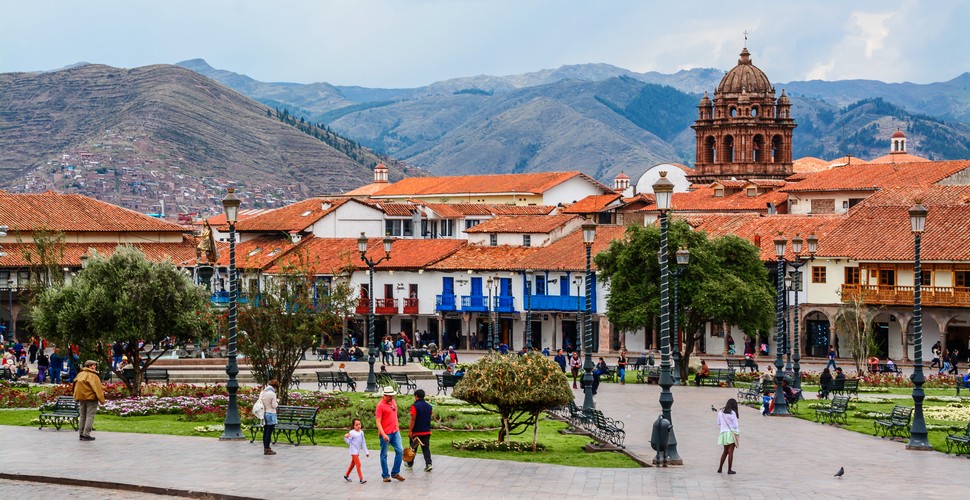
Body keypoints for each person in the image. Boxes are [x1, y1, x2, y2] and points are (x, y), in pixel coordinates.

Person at [375, 386, 405, 482]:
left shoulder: (393, 402)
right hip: (385, 433)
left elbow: (395, 415)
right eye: (390, 396)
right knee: (384, 454)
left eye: (392, 395)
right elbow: (378, 421)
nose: (392, 397)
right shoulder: (380, 406)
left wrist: (397, 427)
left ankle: (395, 472)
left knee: (400, 450)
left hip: (395, 431)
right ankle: (385, 475)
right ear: (384, 395)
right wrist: (383, 434)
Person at [72, 360, 106, 441]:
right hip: (91, 398)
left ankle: (81, 434)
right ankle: (86, 434)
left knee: (82, 416)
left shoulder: (80, 374)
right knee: (90, 416)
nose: (95, 367)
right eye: (93, 365)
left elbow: (74, 386)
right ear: (90, 366)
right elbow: (97, 389)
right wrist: (102, 400)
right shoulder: (93, 376)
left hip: (81, 398)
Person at [405, 389, 433, 472]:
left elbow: (413, 419)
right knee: (426, 448)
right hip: (426, 431)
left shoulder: (414, 406)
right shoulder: (429, 406)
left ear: (416, 396)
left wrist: (410, 431)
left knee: (413, 448)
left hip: (416, 432)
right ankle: (428, 464)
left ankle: (410, 464)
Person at [716, 398, 740, 474]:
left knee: (725, 451)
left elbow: (718, 423)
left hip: (723, 433)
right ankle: (729, 469)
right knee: (731, 452)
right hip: (731, 433)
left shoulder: (720, 412)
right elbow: (736, 425)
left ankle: (720, 468)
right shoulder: (732, 413)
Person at [343, 418, 369, 484]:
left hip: (357, 451)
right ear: (353, 426)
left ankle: (346, 475)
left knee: (353, 464)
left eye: (359, 424)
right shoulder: (352, 432)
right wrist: (345, 437)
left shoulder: (361, 433)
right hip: (353, 451)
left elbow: (363, 443)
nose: (358, 426)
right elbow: (348, 442)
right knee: (358, 464)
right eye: (356, 425)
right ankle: (361, 479)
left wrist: (366, 452)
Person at [260, 379, 280, 455]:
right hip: (271, 413)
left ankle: (265, 448)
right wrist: (277, 401)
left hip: (264, 413)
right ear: (275, 387)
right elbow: (274, 405)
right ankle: (268, 448)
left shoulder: (263, 392)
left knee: (265, 432)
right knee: (269, 432)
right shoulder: (272, 394)